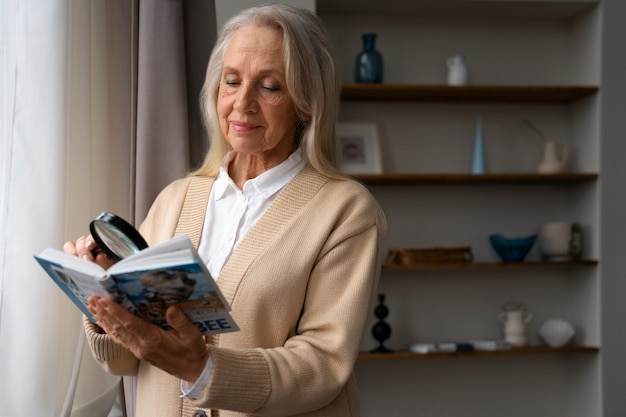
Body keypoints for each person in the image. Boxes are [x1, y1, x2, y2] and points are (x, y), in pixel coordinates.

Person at [64, 4, 386, 416]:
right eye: (232, 81)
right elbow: (127, 360)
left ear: (306, 103)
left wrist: (201, 367)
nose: (242, 104)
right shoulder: (175, 199)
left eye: (270, 86)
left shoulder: (346, 212)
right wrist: (105, 299)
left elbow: (323, 366)